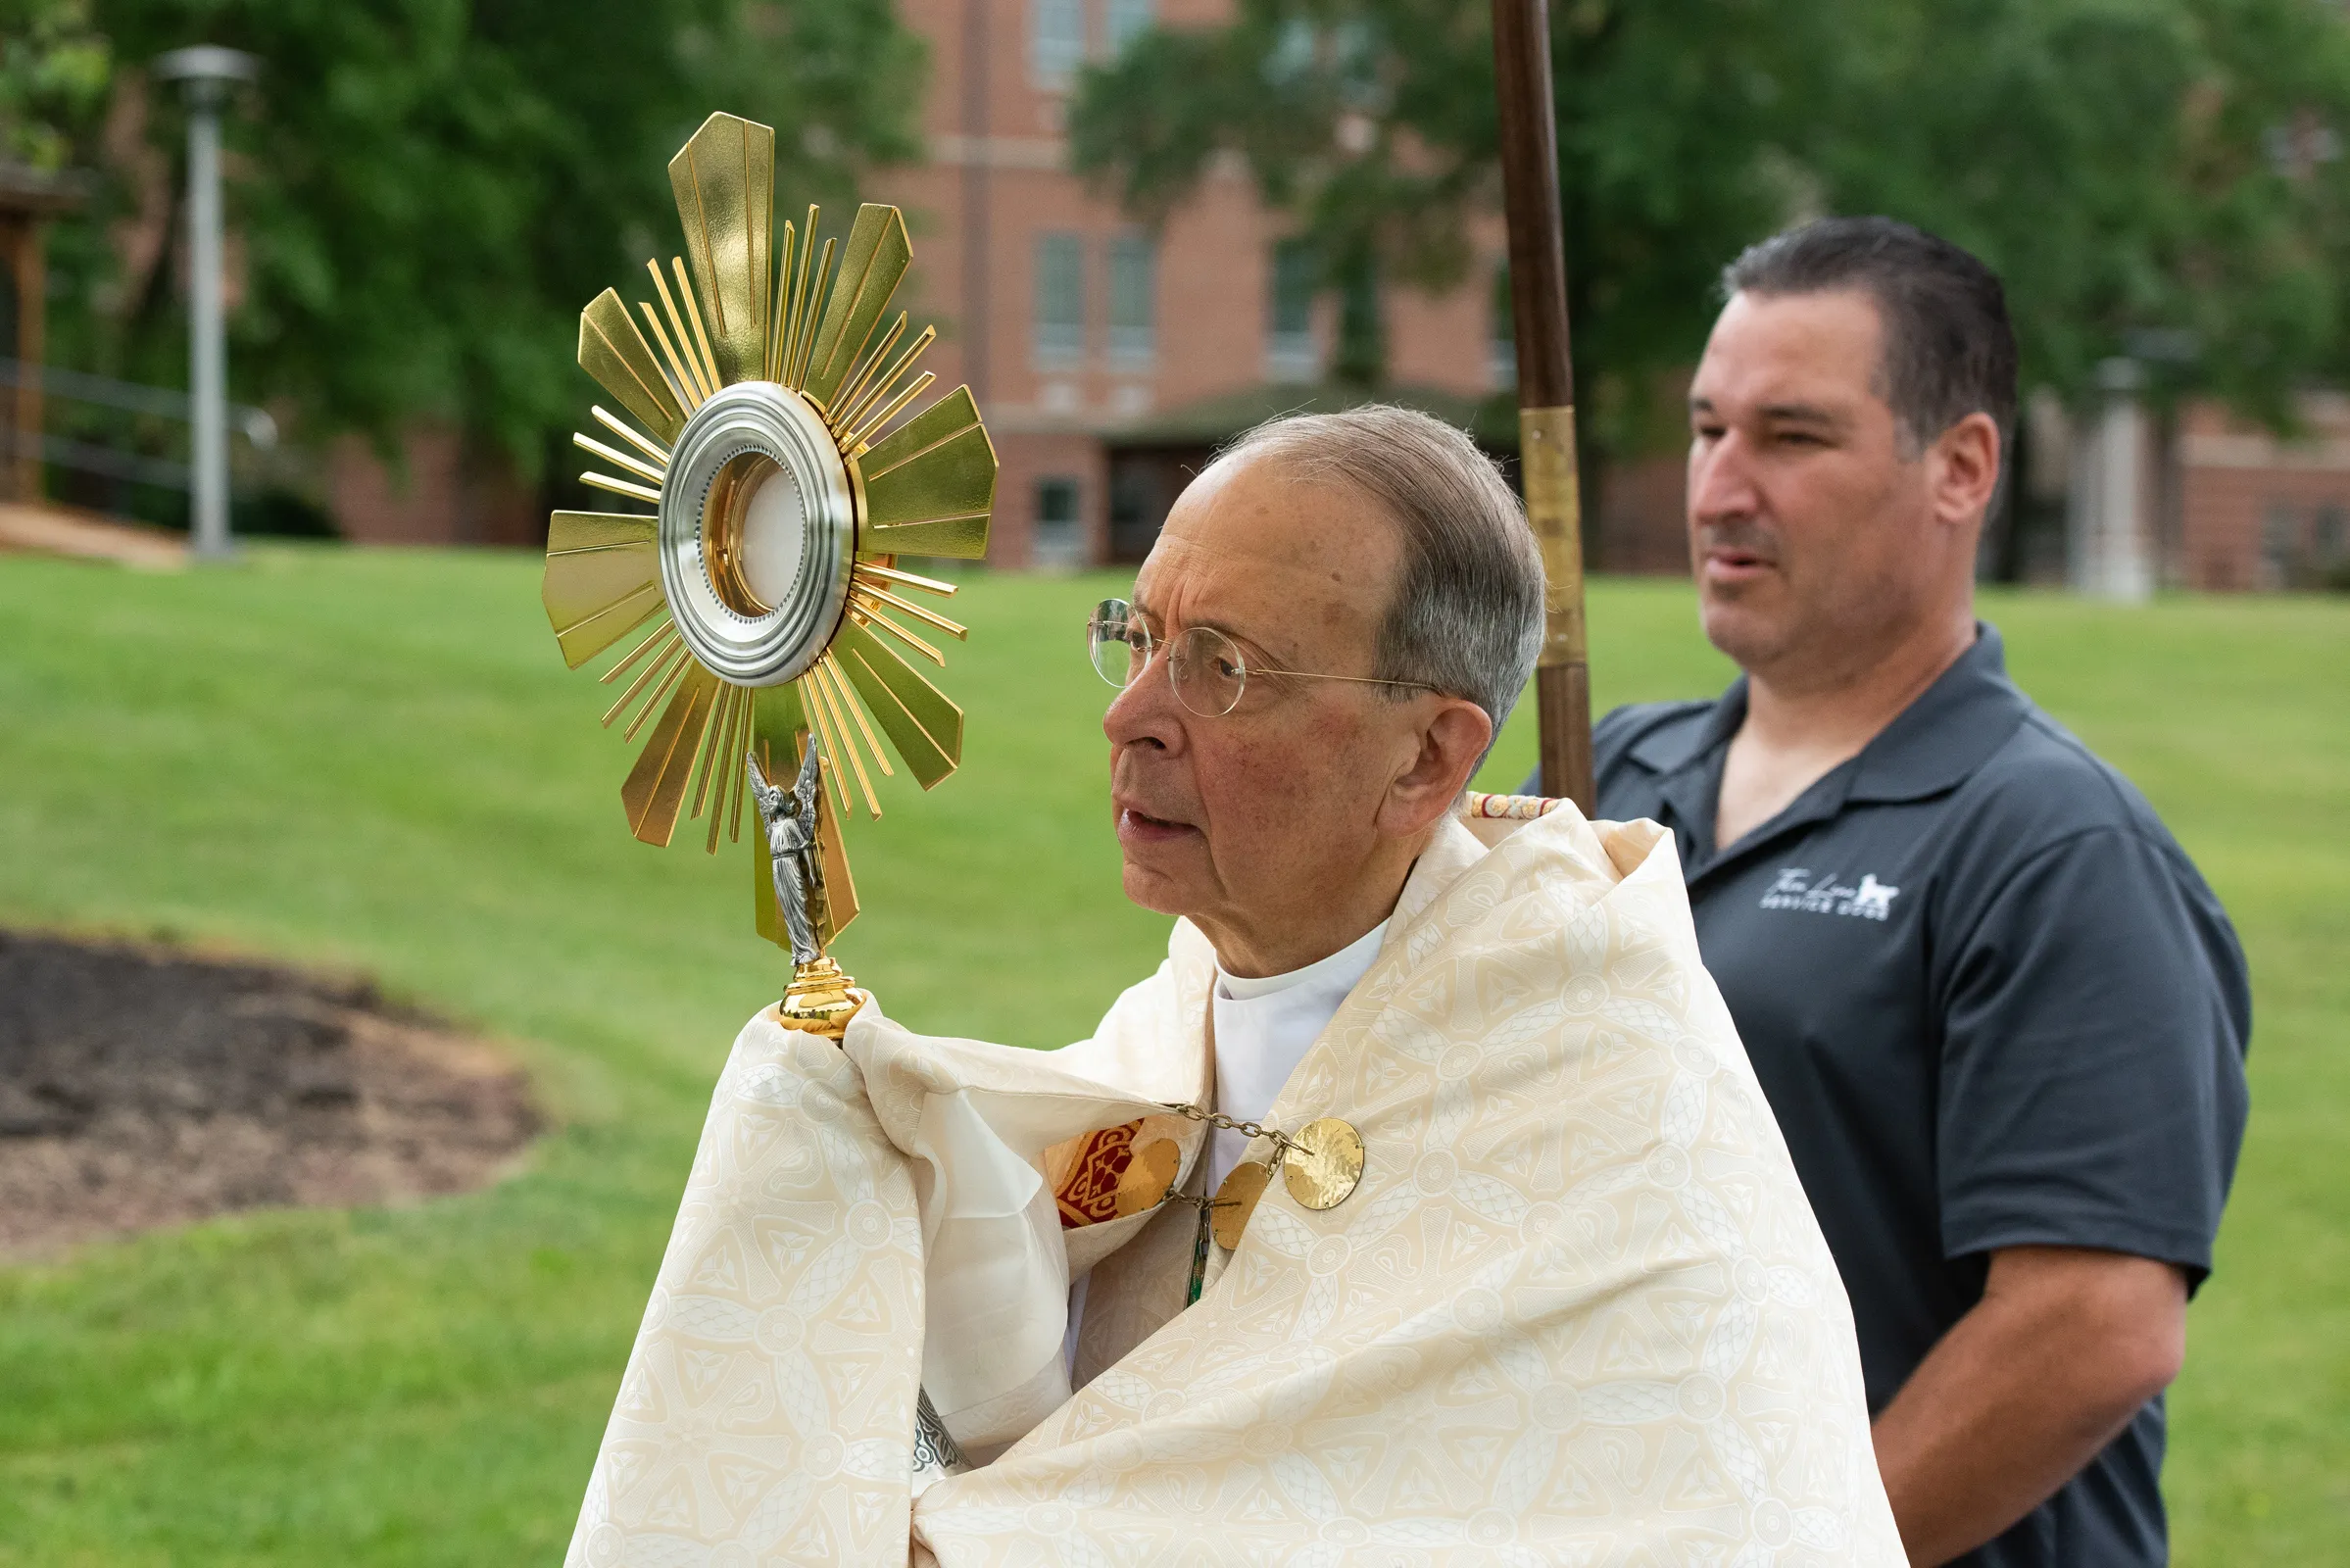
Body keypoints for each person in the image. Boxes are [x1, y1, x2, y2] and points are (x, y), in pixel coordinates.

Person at [564, 406, 1907, 1565]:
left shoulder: (1611, 1114)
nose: (1131, 713)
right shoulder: (1167, 1036)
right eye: (1135, 635)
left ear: (1428, 761)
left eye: (1223, 667)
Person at [1568, 218, 2251, 1567]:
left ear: (1959, 467)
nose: (1718, 488)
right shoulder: (1599, 777)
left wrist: (1793, 1551)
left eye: (1791, 437)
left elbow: (2090, 1325)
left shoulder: (2053, 849)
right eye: (1708, 430)